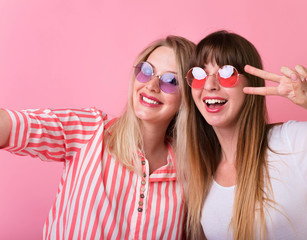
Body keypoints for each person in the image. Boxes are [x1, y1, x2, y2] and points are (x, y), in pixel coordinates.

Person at [0, 36, 195, 239]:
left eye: (171, 81)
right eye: (146, 71)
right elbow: (14, 125)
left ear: (187, 98)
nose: (152, 86)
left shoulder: (191, 173)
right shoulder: (89, 131)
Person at [176, 30, 307, 240]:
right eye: (199, 75)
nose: (209, 85)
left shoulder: (293, 143)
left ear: (251, 84)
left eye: (226, 73)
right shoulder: (200, 175)